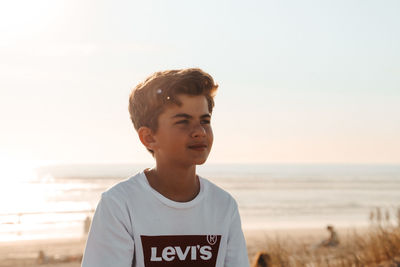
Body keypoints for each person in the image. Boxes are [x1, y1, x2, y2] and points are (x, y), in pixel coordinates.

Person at [82, 68, 249, 267]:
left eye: (205, 121)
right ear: (149, 137)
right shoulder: (120, 205)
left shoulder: (224, 206)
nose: (200, 132)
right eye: (183, 122)